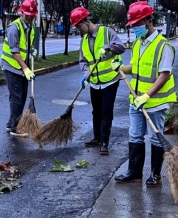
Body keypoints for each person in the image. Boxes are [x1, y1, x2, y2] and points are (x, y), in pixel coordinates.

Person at [112, 1, 176, 186]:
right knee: (135, 135)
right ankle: (134, 172)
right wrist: (122, 68)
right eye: (133, 25)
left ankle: (155, 175)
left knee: (156, 137)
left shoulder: (164, 46)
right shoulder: (139, 44)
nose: (135, 28)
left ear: (149, 21)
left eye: (138, 24)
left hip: (154, 101)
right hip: (136, 99)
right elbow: (138, 68)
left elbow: (164, 75)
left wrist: (147, 96)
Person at [70, 7, 125, 155]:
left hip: (110, 80)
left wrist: (107, 48)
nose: (79, 30)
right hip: (94, 81)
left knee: (106, 111)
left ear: (87, 21)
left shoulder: (107, 32)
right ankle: (97, 138)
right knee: (96, 111)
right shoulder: (84, 40)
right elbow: (82, 61)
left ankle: (105, 143)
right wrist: (86, 74)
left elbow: (121, 47)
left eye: (79, 26)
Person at [1, 0, 37, 137]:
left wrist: (32, 50)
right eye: (27, 14)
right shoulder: (14, 28)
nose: (30, 17)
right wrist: (26, 68)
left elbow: (28, 44)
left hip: (22, 68)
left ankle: (11, 124)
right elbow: (15, 51)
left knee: (21, 97)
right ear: (22, 12)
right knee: (16, 98)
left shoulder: (31, 27)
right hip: (11, 67)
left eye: (32, 15)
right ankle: (16, 128)